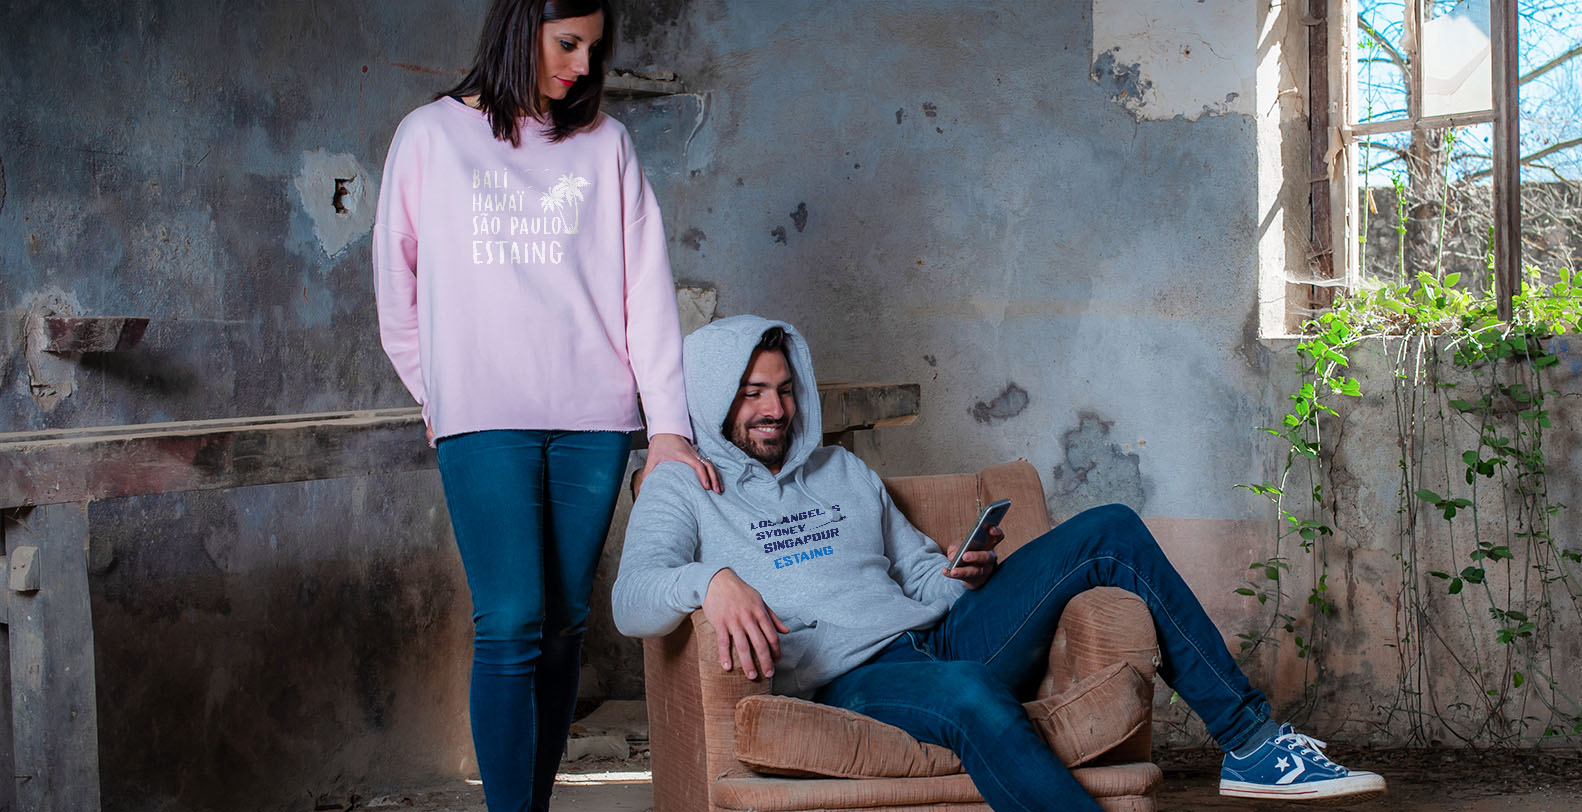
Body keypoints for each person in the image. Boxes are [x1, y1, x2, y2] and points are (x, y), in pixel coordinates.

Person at [612, 316, 1387, 809]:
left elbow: (914, 575)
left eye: (783, 390)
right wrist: (711, 581)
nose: (774, 409)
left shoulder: (842, 472)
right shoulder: (687, 488)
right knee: (970, 693)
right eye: (751, 394)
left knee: (1110, 528)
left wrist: (953, 570)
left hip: (943, 631)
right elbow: (633, 598)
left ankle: (1250, 744)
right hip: (856, 674)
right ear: (716, 399)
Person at [371, 2, 720, 809]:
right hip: (482, 417)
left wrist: (667, 427)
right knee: (511, 618)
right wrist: (440, 390)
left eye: (593, 50)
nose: (581, 66)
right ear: (520, 28)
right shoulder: (429, 137)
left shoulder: (607, 147)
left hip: (593, 419)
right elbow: (397, 285)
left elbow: (646, 292)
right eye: (567, 44)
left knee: (564, 620)